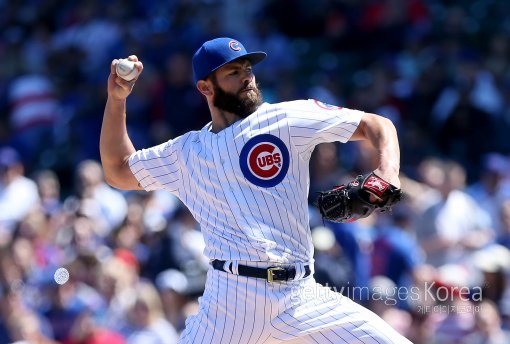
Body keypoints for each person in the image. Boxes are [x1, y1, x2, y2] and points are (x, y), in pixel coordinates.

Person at [100, 37, 410, 343]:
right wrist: (117, 100)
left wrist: (388, 171)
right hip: (231, 303)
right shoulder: (186, 153)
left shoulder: (286, 119)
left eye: (248, 68)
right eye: (233, 72)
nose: (246, 76)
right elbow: (118, 170)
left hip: (301, 295)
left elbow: (377, 124)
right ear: (205, 87)